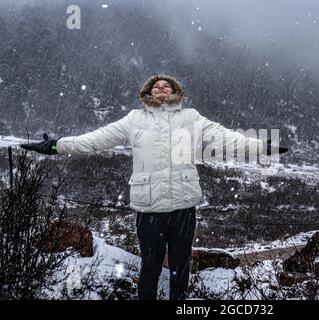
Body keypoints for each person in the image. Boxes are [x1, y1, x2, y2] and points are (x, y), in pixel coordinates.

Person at [20, 74, 289, 300]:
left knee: (180, 268)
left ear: (175, 92)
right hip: (148, 209)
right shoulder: (134, 119)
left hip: (184, 206)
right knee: (149, 266)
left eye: (167, 85)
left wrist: (261, 146)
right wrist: (57, 145)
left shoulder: (191, 118)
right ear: (148, 92)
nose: (161, 88)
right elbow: (95, 139)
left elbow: (225, 137)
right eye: (156, 85)